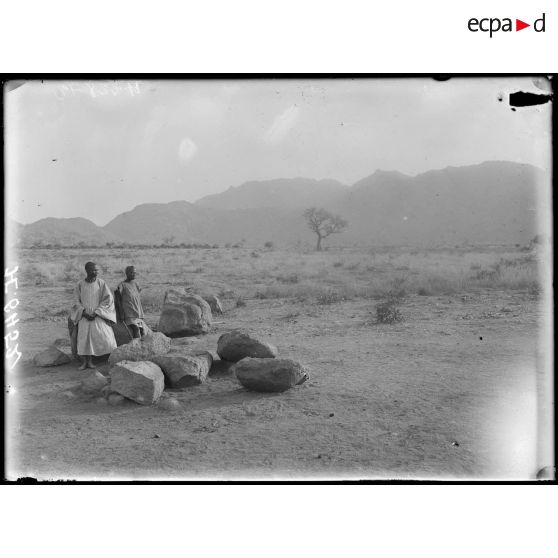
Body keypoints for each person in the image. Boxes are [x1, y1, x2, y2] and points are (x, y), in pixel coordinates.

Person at [70, 262, 117, 370]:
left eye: (97, 270)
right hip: (84, 316)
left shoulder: (101, 283)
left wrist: (97, 312)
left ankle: (99, 360)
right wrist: (84, 313)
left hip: (97, 315)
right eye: (93, 270)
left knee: (107, 337)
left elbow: (108, 299)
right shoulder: (80, 285)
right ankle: (85, 362)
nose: (96, 272)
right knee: (84, 339)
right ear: (87, 271)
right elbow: (75, 301)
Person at [115, 265, 146, 339]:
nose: (134, 274)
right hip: (129, 313)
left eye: (135, 273)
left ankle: (143, 348)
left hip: (137, 312)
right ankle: (135, 347)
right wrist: (121, 312)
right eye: (132, 273)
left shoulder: (135, 284)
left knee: (142, 331)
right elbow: (117, 298)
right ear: (127, 273)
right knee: (136, 329)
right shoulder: (122, 285)